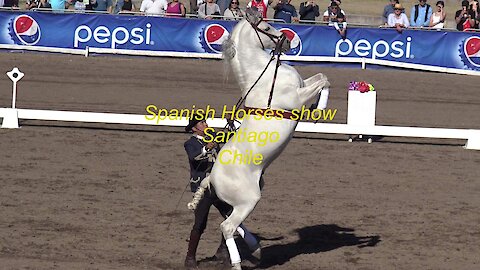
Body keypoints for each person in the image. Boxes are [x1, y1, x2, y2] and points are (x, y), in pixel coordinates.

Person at [183, 116, 261, 269]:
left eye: (205, 122)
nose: (206, 124)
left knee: (231, 217)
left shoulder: (212, 138)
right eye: (202, 123)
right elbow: (195, 157)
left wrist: (232, 125)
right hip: (203, 187)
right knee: (200, 223)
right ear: (194, 128)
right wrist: (208, 148)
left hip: (219, 187)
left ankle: (223, 250)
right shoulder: (190, 143)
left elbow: (233, 139)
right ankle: (190, 257)